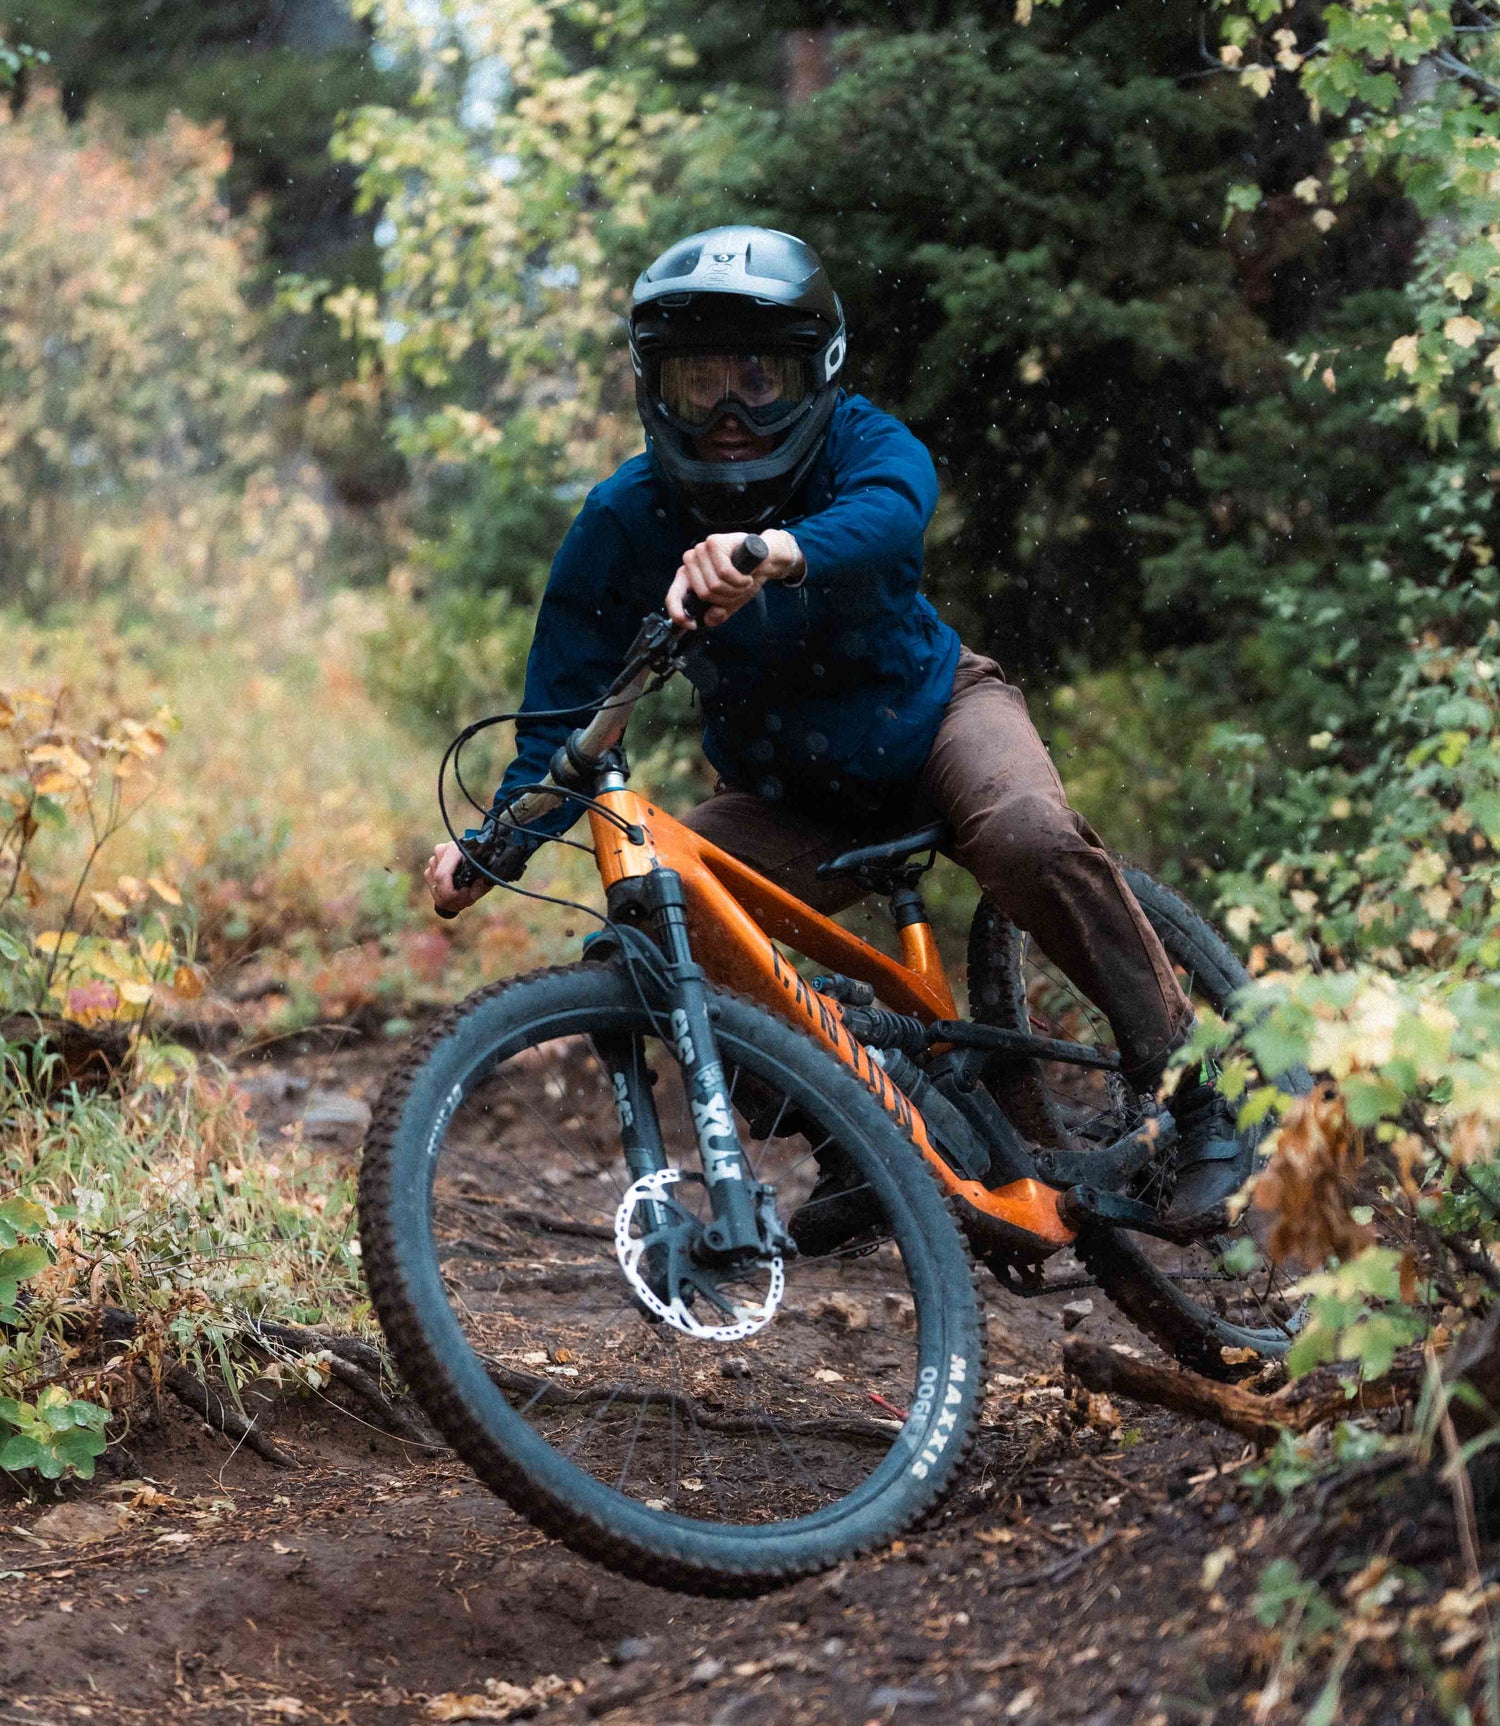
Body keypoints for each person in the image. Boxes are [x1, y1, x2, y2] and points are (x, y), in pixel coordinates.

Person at [426, 225, 1249, 1228]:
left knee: (1029, 835)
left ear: (813, 373)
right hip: (789, 799)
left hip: (940, 719)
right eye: (700, 385)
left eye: (759, 381)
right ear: (654, 387)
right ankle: (854, 1134)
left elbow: (896, 511)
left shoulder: (864, 442)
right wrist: (493, 842)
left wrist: (769, 550)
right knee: (653, 927)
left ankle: (1197, 1091)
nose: (730, 416)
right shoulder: (624, 520)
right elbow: (563, 716)